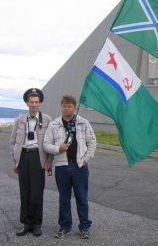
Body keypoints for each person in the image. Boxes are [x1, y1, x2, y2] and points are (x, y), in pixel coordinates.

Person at [43, 95, 96, 239]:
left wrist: (86, 159)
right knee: (64, 199)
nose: (67, 109)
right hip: (62, 167)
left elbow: (92, 142)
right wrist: (58, 148)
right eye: (64, 106)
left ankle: (84, 227)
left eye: (69, 106)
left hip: (79, 166)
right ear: (61, 107)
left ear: (74, 107)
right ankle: (65, 226)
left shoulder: (83, 123)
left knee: (82, 198)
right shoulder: (54, 124)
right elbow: (46, 144)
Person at [10, 88, 53, 237]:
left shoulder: (47, 120)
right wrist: (15, 161)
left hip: (37, 157)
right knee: (25, 191)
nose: (34, 105)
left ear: (40, 103)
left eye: (36, 102)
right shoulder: (20, 120)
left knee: (36, 192)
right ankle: (26, 223)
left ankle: (36, 224)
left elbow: (51, 141)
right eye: (31, 102)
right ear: (27, 103)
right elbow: (13, 141)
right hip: (23, 157)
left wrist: (49, 161)